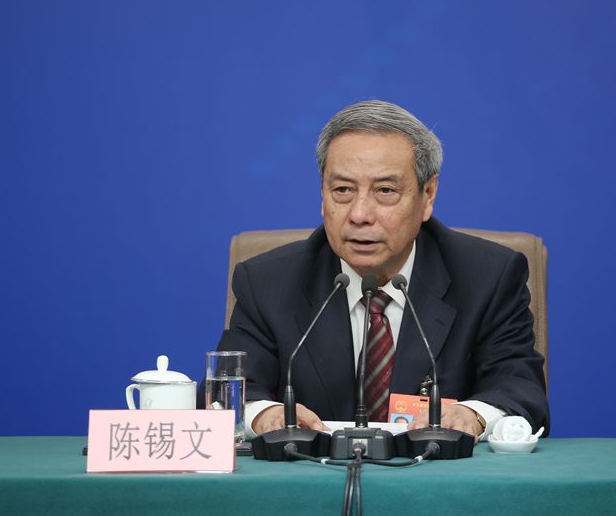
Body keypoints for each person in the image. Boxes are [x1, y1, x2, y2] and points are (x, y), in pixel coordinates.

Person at [216, 100, 548, 440]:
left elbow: (520, 388)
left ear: (428, 195)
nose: (360, 214)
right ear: (323, 195)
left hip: (436, 472)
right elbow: (226, 392)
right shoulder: (268, 282)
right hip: (310, 472)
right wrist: (264, 414)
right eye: (343, 190)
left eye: (385, 191)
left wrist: (473, 415)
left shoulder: (488, 277)